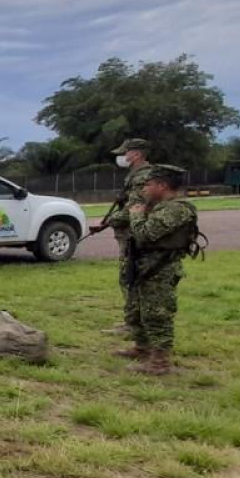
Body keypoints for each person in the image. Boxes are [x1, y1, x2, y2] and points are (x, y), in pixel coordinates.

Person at [116, 164, 199, 375]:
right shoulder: (157, 205)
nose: (144, 189)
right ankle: (142, 347)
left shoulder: (177, 209)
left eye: (149, 184)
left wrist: (136, 215)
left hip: (160, 269)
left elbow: (146, 233)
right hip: (143, 267)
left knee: (157, 314)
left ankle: (159, 362)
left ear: (162, 185)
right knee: (136, 310)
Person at [89, 138, 153, 337]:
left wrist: (107, 223)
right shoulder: (137, 174)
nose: (123, 157)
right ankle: (133, 321)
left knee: (130, 277)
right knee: (130, 276)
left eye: (126, 153)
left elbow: (134, 209)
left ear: (136, 154)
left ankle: (135, 325)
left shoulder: (142, 176)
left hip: (134, 234)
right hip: (132, 231)